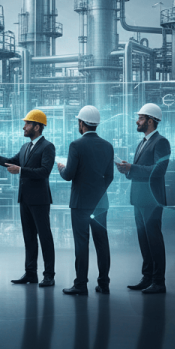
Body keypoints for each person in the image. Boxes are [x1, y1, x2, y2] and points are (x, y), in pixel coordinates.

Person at [0, 109, 56, 287]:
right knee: (29, 237)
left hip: (39, 200)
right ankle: (30, 274)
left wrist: (21, 170)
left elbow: (45, 172)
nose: (24, 127)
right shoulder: (25, 147)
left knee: (44, 237)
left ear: (37, 127)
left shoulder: (48, 147)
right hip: (25, 199)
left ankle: (49, 275)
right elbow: (12, 161)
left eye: (27, 124)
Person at [57, 105, 114, 296]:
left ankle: (81, 284)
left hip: (80, 204)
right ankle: (104, 284)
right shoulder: (108, 146)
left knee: (82, 244)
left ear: (81, 123)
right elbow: (110, 176)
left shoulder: (76, 145)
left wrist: (61, 168)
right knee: (102, 243)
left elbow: (68, 175)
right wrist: (98, 194)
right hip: (100, 204)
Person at [116, 103, 171, 294]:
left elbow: (159, 170)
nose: (137, 121)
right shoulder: (142, 142)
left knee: (154, 239)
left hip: (152, 200)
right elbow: (139, 170)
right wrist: (127, 170)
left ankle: (159, 281)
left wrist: (132, 167)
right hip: (139, 198)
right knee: (143, 240)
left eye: (140, 118)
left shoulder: (161, 142)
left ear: (150, 120)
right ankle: (147, 277)